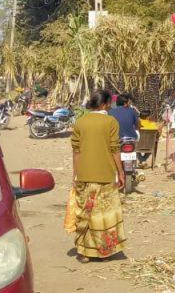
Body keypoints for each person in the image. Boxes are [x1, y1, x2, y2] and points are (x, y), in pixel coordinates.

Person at [70, 90, 126, 262]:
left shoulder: (80, 122)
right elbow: (115, 149)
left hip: (84, 174)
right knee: (104, 215)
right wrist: (121, 172)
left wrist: (75, 174)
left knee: (86, 213)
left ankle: (84, 252)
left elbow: (76, 150)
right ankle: (104, 252)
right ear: (105, 104)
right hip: (106, 175)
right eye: (109, 103)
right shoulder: (110, 122)